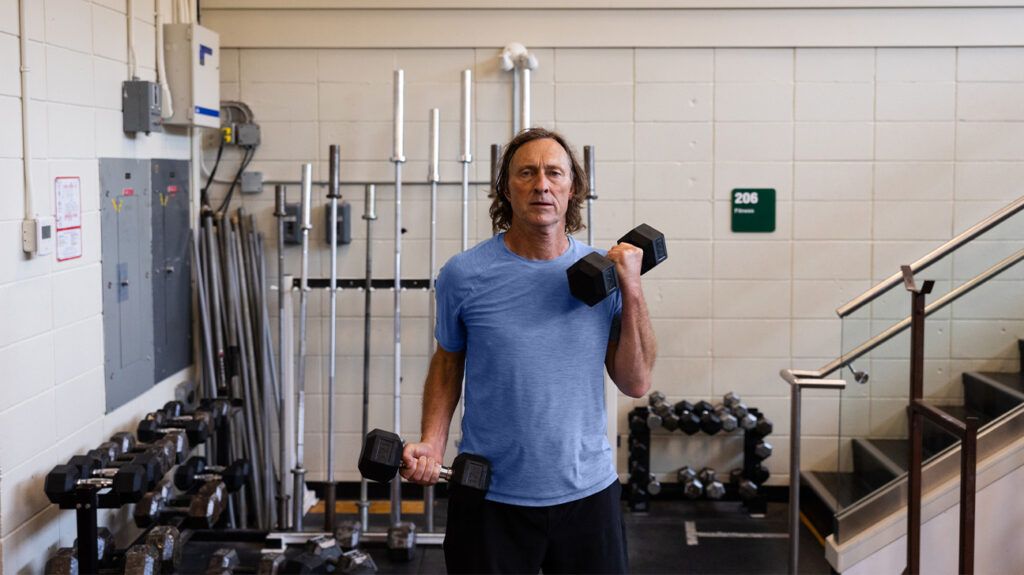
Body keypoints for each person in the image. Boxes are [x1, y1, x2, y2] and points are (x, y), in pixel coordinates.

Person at [400, 128, 657, 574]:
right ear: (506, 188)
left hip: (587, 492)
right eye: (527, 172)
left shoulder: (605, 274)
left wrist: (632, 287)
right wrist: (432, 443)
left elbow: (635, 382)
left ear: (571, 187)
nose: (541, 184)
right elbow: (447, 361)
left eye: (554, 173)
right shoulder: (464, 274)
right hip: (490, 494)